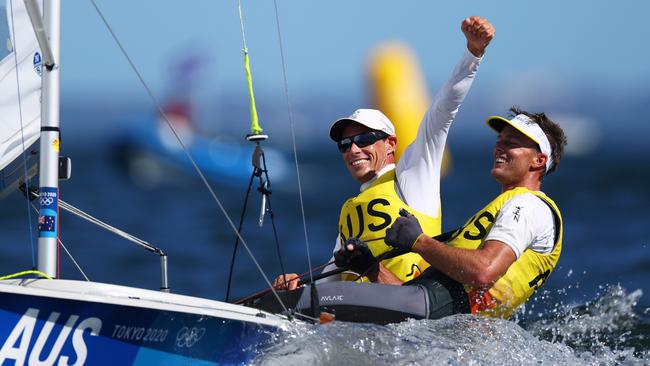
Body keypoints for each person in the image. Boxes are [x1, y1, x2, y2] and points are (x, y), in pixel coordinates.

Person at [273, 16, 495, 290]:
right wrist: (297, 287)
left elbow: (442, 111)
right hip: (359, 317)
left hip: (410, 313)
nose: (353, 149)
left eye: (364, 139)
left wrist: (473, 54)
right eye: (345, 144)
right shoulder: (350, 210)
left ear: (390, 144)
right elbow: (332, 279)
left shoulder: (413, 178)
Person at [364, 107, 568, 319]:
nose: (499, 147)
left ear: (539, 161)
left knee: (329, 306)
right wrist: (371, 268)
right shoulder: (510, 206)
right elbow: (413, 300)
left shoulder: (527, 206)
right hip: (446, 333)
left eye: (512, 143)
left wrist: (419, 242)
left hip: (458, 334)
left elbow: (484, 271)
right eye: (500, 140)